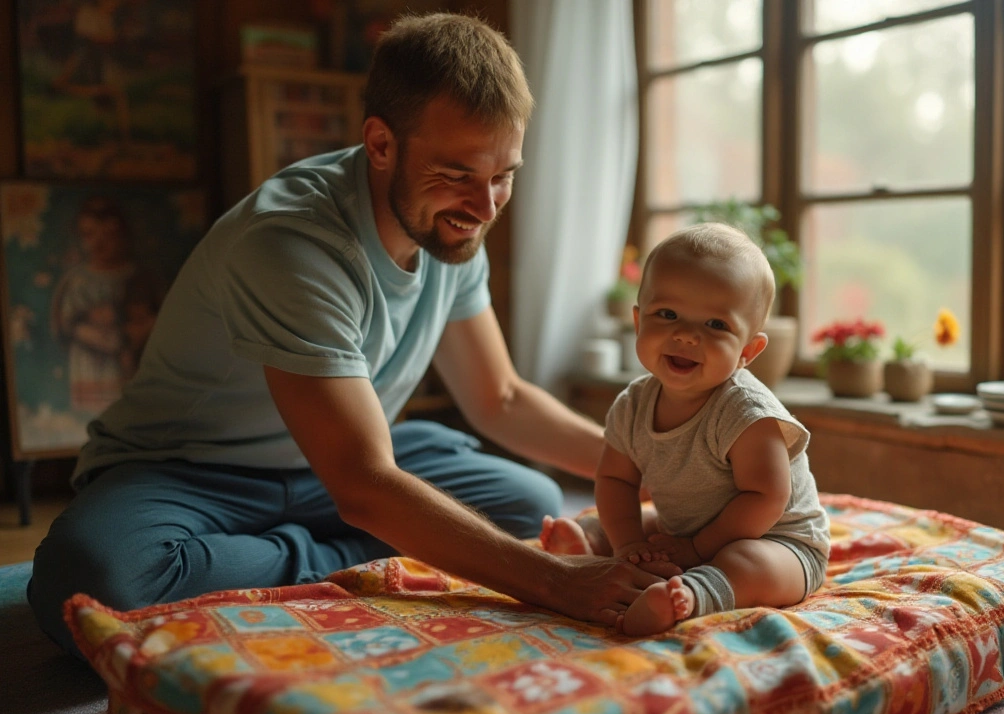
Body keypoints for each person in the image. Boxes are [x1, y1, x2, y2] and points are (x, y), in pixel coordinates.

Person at [28, 12, 662, 658]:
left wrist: (652, 473)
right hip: (192, 473)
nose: (485, 205)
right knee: (92, 582)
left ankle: (300, 561)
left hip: (336, 460)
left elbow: (499, 398)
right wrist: (554, 581)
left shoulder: (454, 228)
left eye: (504, 175)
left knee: (528, 499)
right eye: (458, 174)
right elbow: (362, 482)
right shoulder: (293, 242)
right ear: (381, 144)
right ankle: (348, 558)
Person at [541, 223, 831, 635]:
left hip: (777, 539)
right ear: (639, 321)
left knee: (748, 563)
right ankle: (590, 545)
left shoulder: (746, 412)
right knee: (620, 520)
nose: (686, 335)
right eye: (668, 315)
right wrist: (628, 547)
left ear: (748, 351)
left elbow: (767, 497)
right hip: (686, 528)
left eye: (715, 325)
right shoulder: (633, 404)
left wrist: (698, 550)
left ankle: (691, 596)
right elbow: (615, 479)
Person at [51, 197, 137, 416]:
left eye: (108, 235)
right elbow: (66, 322)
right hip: (88, 361)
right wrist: (89, 332)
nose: (99, 243)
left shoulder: (133, 277)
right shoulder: (77, 281)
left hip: (122, 365)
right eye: (89, 235)